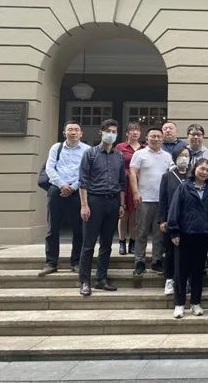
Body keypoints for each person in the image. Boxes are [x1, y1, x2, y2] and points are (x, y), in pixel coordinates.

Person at [77, 119, 125, 296]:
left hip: (113, 202)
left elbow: (122, 183)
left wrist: (121, 204)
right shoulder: (90, 154)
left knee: (107, 244)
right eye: (108, 131)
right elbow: (83, 181)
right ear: (101, 132)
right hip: (94, 201)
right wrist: (84, 205)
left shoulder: (118, 156)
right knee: (88, 244)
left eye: (114, 131)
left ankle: (101, 279)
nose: (111, 134)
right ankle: (84, 281)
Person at [167, 158, 208, 318]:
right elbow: (174, 209)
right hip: (184, 235)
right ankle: (179, 304)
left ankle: (196, 303)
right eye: (202, 168)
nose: (204, 172)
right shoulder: (184, 187)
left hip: (203, 236)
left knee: (198, 271)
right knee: (181, 272)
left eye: (207, 170)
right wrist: (174, 231)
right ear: (195, 169)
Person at [39, 120, 90, 277]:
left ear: (81, 133)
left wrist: (73, 187)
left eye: (76, 130)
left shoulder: (87, 150)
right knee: (53, 228)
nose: (73, 132)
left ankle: (76, 262)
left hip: (77, 191)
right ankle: (51, 262)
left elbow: (87, 172)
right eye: (70, 129)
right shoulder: (56, 147)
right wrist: (62, 185)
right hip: (57, 190)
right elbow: (49, 168)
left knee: (78, 229)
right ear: (64, 133)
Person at [129, 127, 173, 277]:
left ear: (162, 139)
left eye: (158, 136)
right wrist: (135, 192)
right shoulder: (139, 154)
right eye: (152, 136)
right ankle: (139, 262)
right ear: (147, 138)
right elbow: (133, 173)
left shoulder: (167, 156)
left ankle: (156, 261)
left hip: (161, 201)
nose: (156, 139)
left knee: (159, 233)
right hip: (144, 199)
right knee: (141, 231)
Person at [158, 147, 191, 296]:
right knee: (170, 251)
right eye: (181, 155)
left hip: (189, 220)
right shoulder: (167, 176)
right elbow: (163, 199)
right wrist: (162, 220)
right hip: (172, 219)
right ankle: (169, 280)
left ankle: (186, 280)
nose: (184, 158)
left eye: (186, 155)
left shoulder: (193, 175)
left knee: (187, 252)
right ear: (175, 158)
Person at [115, 122, 144, 256]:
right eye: (132, 130)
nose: (135, 132)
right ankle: (122, 242)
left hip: (138, 184)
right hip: (123, 183)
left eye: (137, 130)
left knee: (134, 216)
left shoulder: (144, 148)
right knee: (123, 215)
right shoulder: (120, 147)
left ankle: (133, 242)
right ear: (127, 133)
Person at [186, 123, 208, 189]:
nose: (196, 137)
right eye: (193, 134)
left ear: (203, 137)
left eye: (199, 135)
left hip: (204, 192)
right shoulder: (182, 153)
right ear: (187, 136)